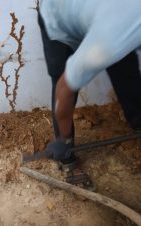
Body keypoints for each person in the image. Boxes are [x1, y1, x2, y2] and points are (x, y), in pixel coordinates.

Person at [38, 0, 141, 170]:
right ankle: (66, 150)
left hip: (100, 15)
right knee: (62, 79)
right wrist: (62, 139)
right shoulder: (110, 42)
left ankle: (138, 119)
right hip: (57, 15)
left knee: (126, 71)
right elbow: (65, 88)